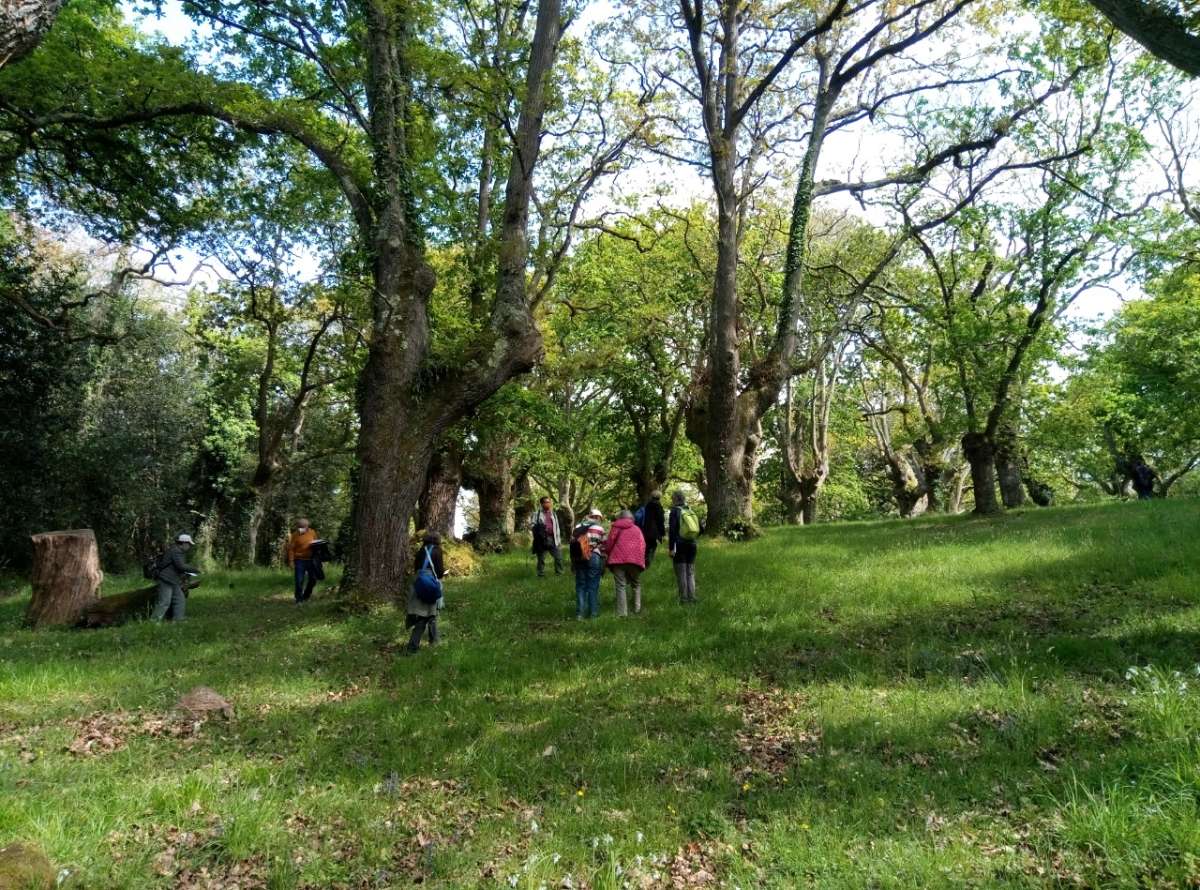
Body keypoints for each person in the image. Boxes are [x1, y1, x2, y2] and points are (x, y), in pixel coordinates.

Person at [406, 532, 446, 653]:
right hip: (430, 584)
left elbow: (416, 568)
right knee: (429, 615)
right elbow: (439, 572)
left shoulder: (421, 551)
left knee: (422, 615)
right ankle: (414, 646)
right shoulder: (437, 551)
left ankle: (433, 640)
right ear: (437, 540)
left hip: (418, 584)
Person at [605, 509, 647, 616]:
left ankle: (622, 613)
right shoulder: (637, 529)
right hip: (635, 561)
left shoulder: (615, 528)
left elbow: (609, 544)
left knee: (620, 585)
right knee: (636, 584)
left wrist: (608, 554)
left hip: (618, 560)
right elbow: (643, 545)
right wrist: (640, 558)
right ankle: (637, 609)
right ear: (631, 518)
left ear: (620, 518)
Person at [152, 533, 199, 622]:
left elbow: (179, 567)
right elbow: (181, 566)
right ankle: (154, 621)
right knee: (164, 602)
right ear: (184, 543)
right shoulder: (176, 551)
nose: (189, 547)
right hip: (166, 579)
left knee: (180, 600)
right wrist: (195, 570)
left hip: (173, 580)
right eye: (189, 544)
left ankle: (178, 620)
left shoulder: (177, 551)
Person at [572, 508, 606, 619]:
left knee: (581, 586)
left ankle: (580, 614)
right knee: (593, 586)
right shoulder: (599, 529)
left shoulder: (577, 527)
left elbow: (572, 544)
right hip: (594, 557)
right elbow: (604, 546)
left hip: (579, 559)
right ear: (598, 517)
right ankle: (593, 614)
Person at [668, 491, 698, 604]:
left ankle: (684, 599)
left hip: (680, 545)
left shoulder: (675, 511)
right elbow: (701, 528)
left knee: (681, 572)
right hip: (692, 544)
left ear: (674, 499)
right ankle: (692, 597)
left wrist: (671, 548)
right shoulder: (690, 510)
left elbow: (672, 531)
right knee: (690, 572)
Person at [285, 518, 320, 604]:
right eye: (300, 527)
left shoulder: (312, 532)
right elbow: (291, 549)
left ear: (307, 526)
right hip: (299, 561)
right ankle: (299, 599)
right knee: (299, 580)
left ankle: (306, 595)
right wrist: (291, 561)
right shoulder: (295, 535)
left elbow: (316, 544)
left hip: (311, 560)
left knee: (313, 579)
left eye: (303, 527)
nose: (301, 528)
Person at [531, 496, 564, 577]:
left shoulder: (554, 514)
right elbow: (532, 525)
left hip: (553, 539)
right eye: (545, 502)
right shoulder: (537, 514)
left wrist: (559, 540)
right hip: (542, 540)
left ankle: (559, 574)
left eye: (549, 502)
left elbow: (557, 528)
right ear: (541, 504)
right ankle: (540, 574)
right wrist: (539, 528)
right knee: (541, 559)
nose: (548, 504)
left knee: (558, 557)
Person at [636, 490, 667, 567]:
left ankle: (644, 561)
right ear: (659, 497)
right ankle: (648, 562)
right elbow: (660, 520)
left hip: (645, 529)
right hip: (654, 531)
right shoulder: (658, 506)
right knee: (653, 545)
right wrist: (662, 533)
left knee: (647, 545)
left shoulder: (647, 506)